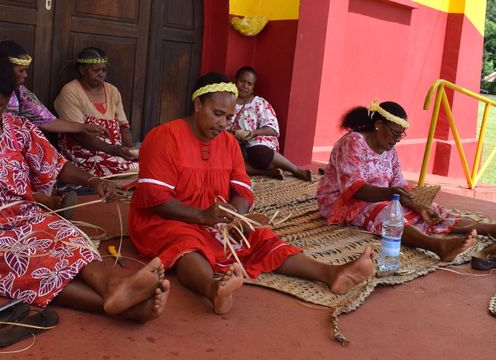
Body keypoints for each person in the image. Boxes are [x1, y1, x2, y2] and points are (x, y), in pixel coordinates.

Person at [0, 45, 168, 322]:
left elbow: (57, 165)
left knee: (70, 239)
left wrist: (94, 181)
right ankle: (124, 304)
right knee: (25, 259)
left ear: (7, 102)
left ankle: (114, 287)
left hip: (21, 216)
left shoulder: (18, 129)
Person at [129, 72, 374, 315]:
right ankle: (213, 289)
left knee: (260, 237)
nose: (223, 123)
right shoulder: (164, 137)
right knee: (189, 245)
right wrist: (201, 216)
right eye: (217, 114)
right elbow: (156, 199)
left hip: (213, 220)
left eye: (228, 117)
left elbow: (242, 190)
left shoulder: (228, 143)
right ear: (197, 104)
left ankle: (331, 273)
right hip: (167, 220)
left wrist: (236, 216)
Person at [0, 37, 106, 212]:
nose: (25, 75)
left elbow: (48, 131)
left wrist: (92, 179)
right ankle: (39, 200)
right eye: (20, 70)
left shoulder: (19, 121)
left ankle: (35, 200)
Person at [315, 100, 496, 262]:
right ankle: (437, 246)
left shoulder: (390, 149)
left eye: (401, 135)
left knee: (430, 210)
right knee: (387, 213)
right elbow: (355, 190)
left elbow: (399, 183)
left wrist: (418, 206)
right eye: (394, 133)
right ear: (378, 125)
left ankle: (488, 228)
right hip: (342, 203)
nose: (397, 140)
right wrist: (391, 194)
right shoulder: (353, 142)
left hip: (381, 198)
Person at [54, 47, 138, 177]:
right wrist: (114, 150)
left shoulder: (112, 90)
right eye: (96, 70)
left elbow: (123, 126)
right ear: (82, 70)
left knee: (145, 161)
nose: (101, 74)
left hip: (114, 151)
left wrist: (128, 149)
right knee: (118, 167)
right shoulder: (70, 91)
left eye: (104, 70)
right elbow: (78, 134)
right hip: (83, 151)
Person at [228, 66, 312, 181]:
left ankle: (295, 169)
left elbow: (273, 129)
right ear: (235, 81)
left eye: (249, 83)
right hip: (232, 142)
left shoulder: (259, 103)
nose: (245, 86)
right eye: (242, 81)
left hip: (255, 142)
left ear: (253, 88)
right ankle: (266, 172)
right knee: (229, 158)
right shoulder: (226, 100)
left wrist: (253, 133)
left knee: (258, 153)